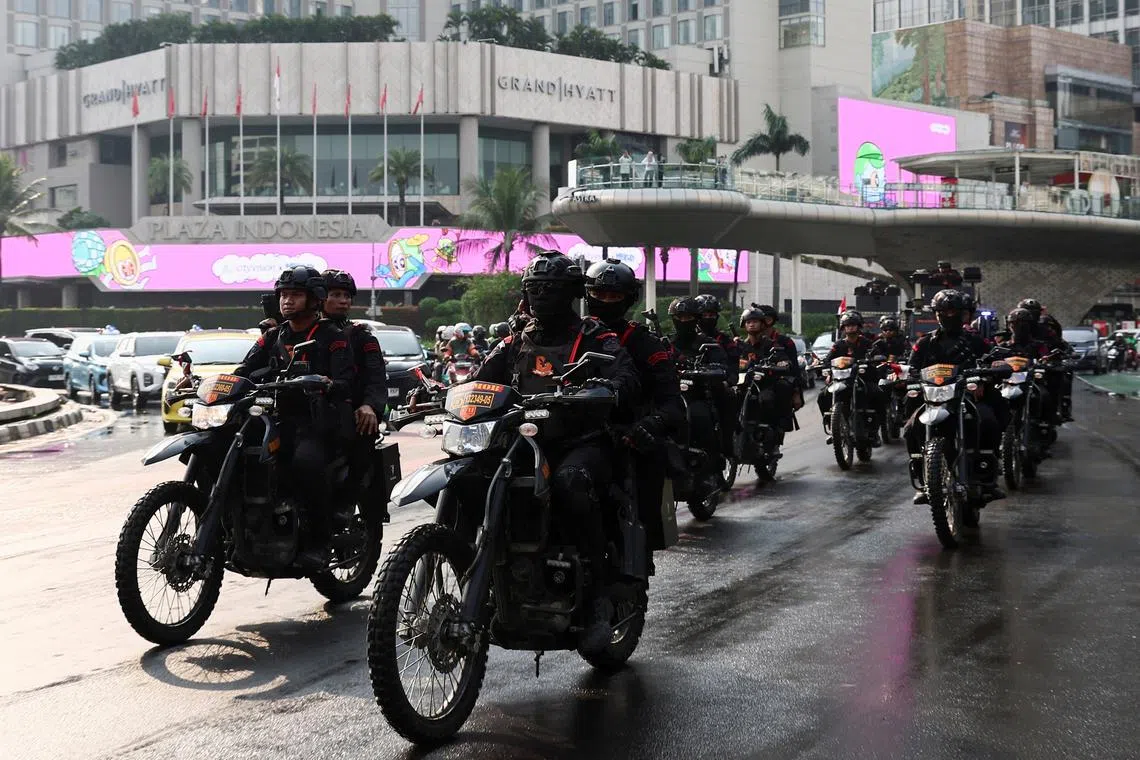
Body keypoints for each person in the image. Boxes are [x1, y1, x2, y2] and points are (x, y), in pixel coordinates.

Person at [472, 250, 640, 654]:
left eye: (552, 289)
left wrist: (609, 387)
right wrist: (447, 395)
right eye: (535, 288)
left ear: (571, 293)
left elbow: (625, 375)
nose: (542, 296)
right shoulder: (513, 341)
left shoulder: (596, 336)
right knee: (467, 476)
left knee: (570, 485)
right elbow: (479, 381)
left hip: (578, 442)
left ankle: (599, 596)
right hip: (519, 442)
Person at [233, 266, 354, 569]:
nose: (287, 301)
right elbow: (242, 370)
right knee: (231, 451)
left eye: (295, 295)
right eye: (284, 294)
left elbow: (345, 381)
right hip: (274, 419)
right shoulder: (273, 336)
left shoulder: (332, 336)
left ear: (314, 299)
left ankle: (319, 542)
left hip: (316, 423)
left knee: (305, 464)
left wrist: (325, 383)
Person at [585, 259, 683, 559]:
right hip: (574, 430)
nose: (606, 302)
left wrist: (649, 425)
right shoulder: (572, 334)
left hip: (625, 432)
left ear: (628, 299)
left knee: (647, 463)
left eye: (614, 297)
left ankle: (635, 562)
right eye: (600, 295)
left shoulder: (643, 342)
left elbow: (672, 402)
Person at [906, 289, 1006, 505]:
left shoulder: (976, 341)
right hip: (934, 399)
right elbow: (912, 367)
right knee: (911, 428)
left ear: (962, 314)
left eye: (954, 311)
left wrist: (985, 378)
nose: (949, 315)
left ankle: (988, 474)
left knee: (988, 420)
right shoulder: (924, 343)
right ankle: (924, 480)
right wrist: (903, 377)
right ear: (937, 314)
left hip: (967, 398)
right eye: (945, 311)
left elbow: (993, 360)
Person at [818, 310, 883, 445]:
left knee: (878, 394)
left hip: (862, 379)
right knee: (822, 396)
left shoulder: (866, 343)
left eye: (853, 325)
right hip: (842, 380)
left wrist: (874, 359)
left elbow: (877, 355)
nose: (850, 327)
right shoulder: (839, 345)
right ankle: (833, 429)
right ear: (843, 328)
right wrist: (824, 367)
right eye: (847, 325)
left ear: (858, 326)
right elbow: (828, 359)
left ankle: (874, 431)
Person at [736, 304, 798, 445]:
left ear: (763, 324)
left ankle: (772, 433)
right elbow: (729, 360)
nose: (752, 324)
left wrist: (782, 363)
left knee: (767, 399)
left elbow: (783, 359)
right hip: (743, 385)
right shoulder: (739, 346)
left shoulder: (771, 344)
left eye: (755, 321)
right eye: (748, 322)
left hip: (764, 385)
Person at [694, 294, 740, 385]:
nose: (707, 318)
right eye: (704, 315)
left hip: (718, 385)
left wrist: (728, 382)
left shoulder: (725, 340)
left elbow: (733, 367)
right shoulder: (688, 338)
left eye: (711, 315)